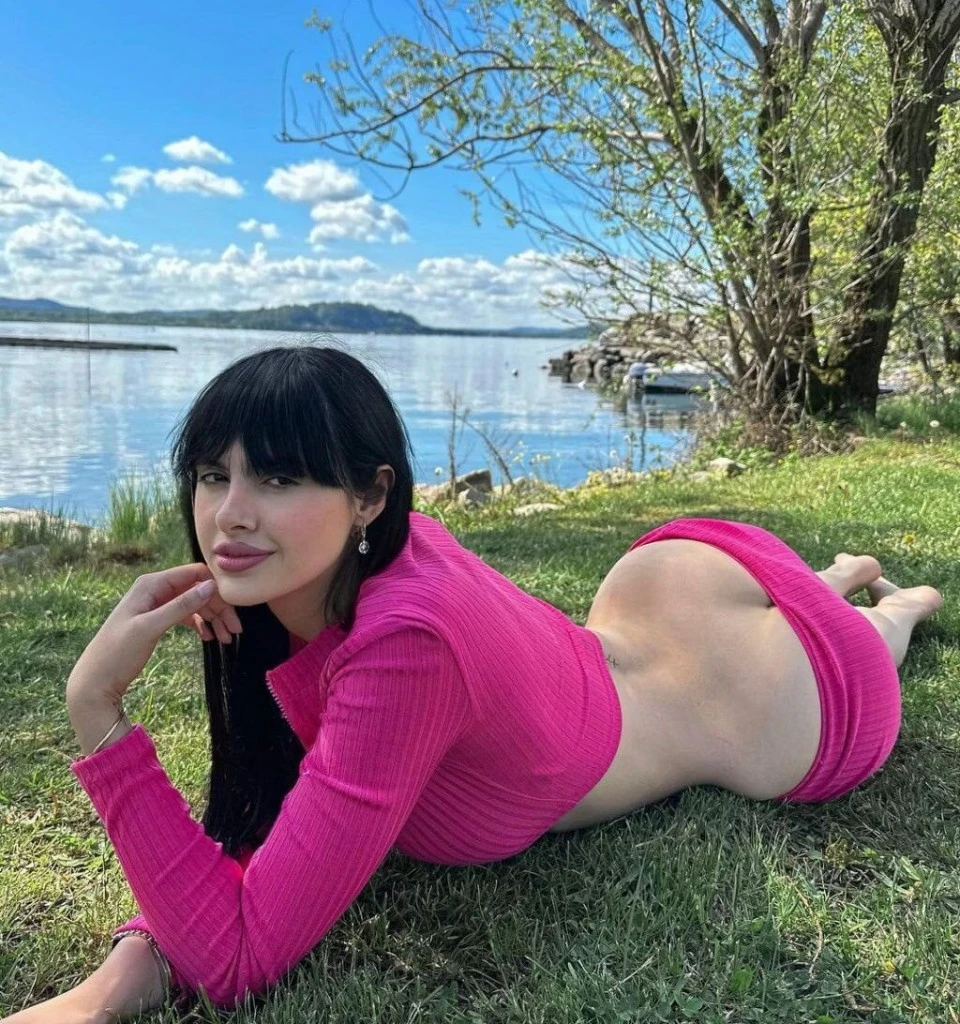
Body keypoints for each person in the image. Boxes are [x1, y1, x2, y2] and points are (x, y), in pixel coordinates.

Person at [4, 344, 943, 1021]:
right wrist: (122, 974)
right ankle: (834, 574)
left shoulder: (405, 645)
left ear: (371, 496)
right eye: (215, 475)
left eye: (280, 480)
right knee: (803, 600)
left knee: (879, 631)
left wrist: (98, 714)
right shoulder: (325, 571)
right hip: (652, 601)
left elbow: (239, 952)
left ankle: (890, 600)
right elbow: (264, 828)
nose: (230, 517)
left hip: (746, 709)